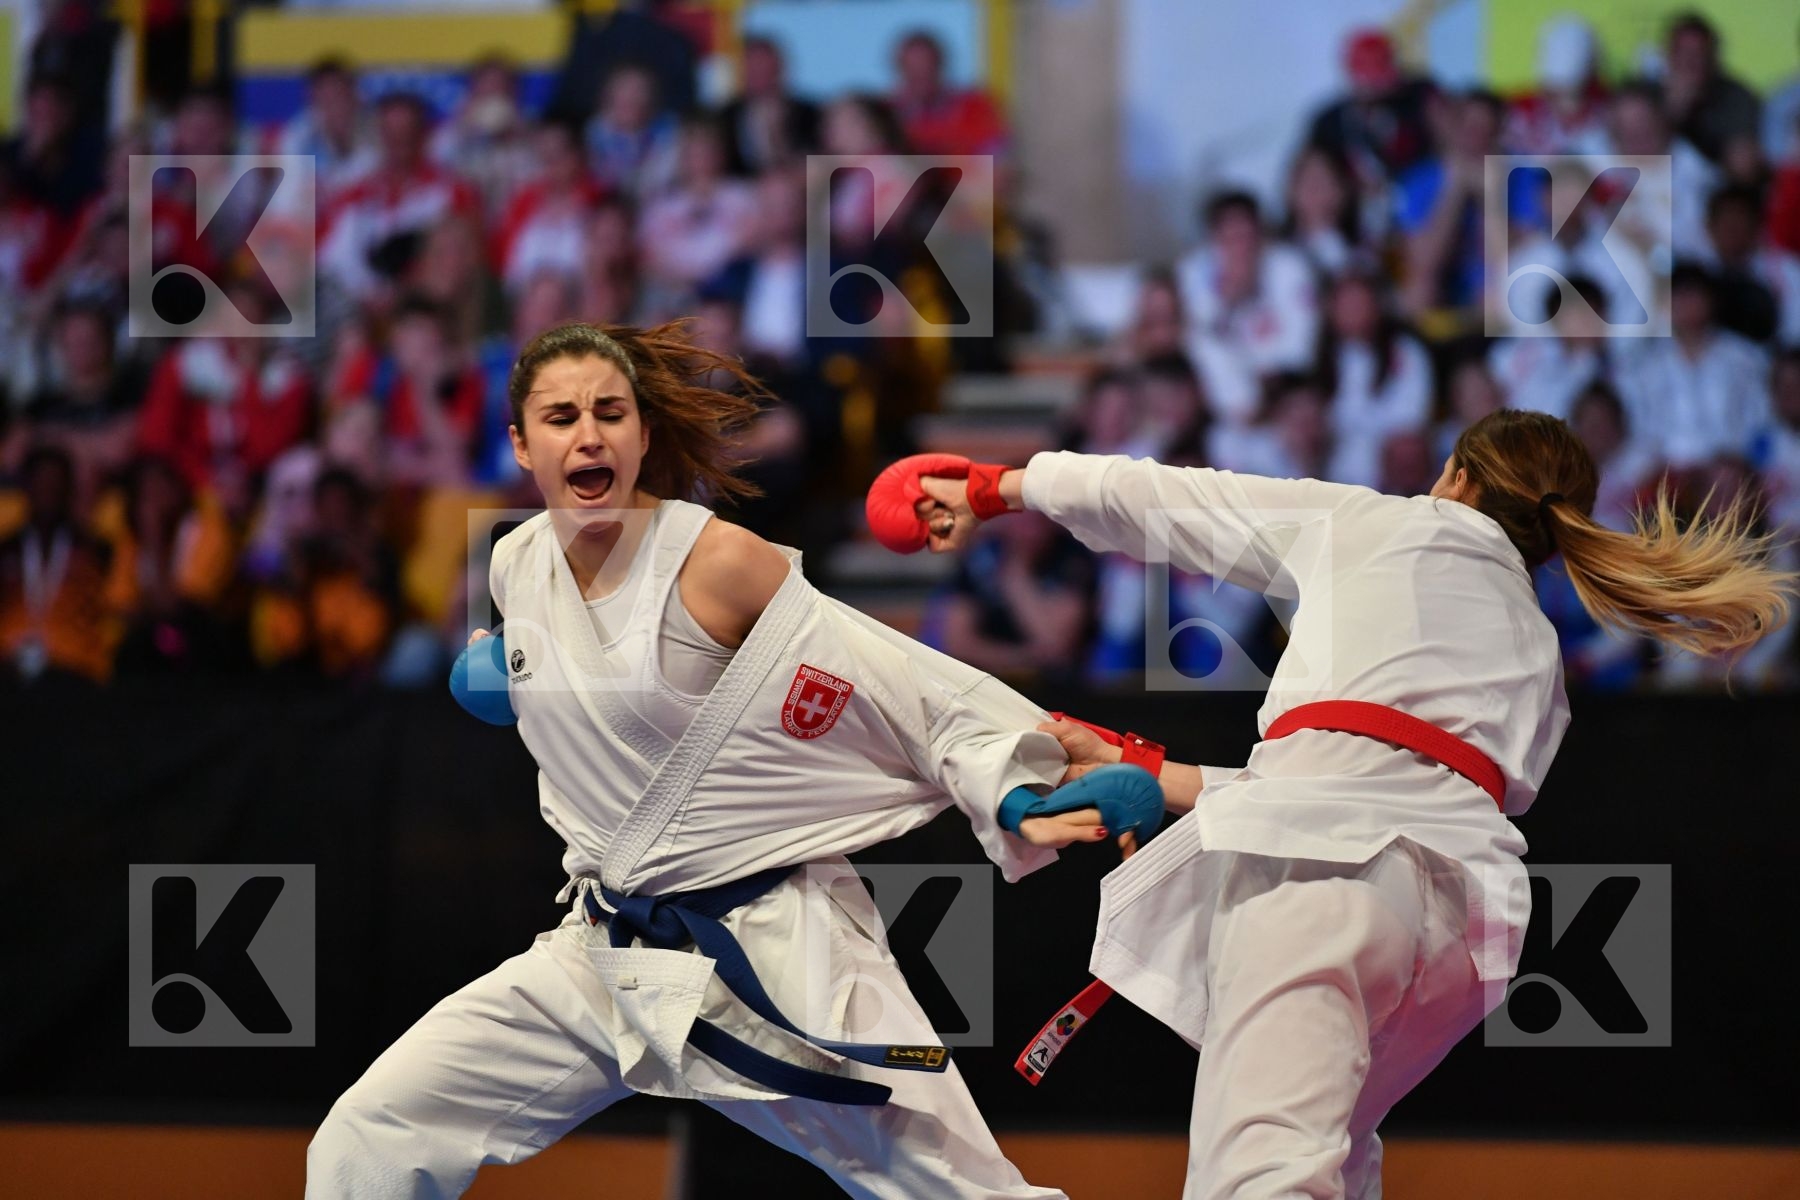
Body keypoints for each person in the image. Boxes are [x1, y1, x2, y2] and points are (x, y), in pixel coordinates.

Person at [903, 408, 1794, 1198]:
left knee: (1261, 1175)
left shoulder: (1378, 523)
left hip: (1327, 880)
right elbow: (1378, 793)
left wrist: (1001, 485)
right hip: (1460, 937)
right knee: (1333, 1154)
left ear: (1459, 478)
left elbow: (1167, 498)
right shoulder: (1538, 655)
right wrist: (1158, 772)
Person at [306, 321, 1103, 1200]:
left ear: (643, 435)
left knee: (962, 1194)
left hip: (770, 945)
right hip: (606, 949)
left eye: (611, 412)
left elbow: (893, 677)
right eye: (561, 415)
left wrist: (1010, 769)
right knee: (371, 1133)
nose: (588, 433)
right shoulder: (515, 563)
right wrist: (516, 670)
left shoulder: (714, 563)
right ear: (520, 444)